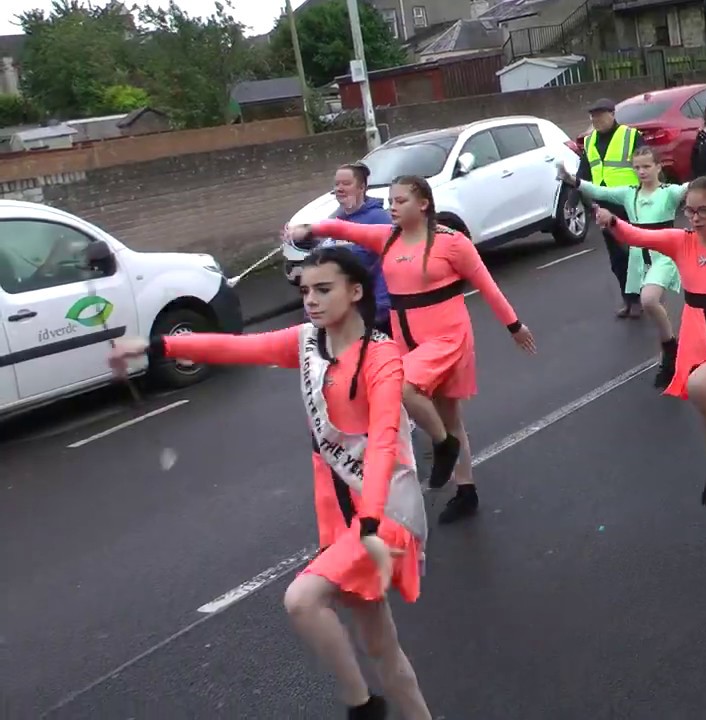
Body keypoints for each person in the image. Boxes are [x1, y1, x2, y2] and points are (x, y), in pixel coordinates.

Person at [108, 246, 434, 720]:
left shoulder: (380, 357)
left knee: (302, 599)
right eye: (305, 291)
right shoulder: (306, 342)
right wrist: (158, 346)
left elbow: (385, 437)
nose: (312, 301)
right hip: (339, 512)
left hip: (381, 511)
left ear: (356, 291)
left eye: (324, 289)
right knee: (381, 646)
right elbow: (238, 347)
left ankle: (363, 707)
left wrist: (369, 518)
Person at [288, 175, 536, 525]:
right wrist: (308, 229)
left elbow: (487, 286)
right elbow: (344, 230)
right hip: (407, 337)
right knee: (449, 416)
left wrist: (514, 325)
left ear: (423, 204)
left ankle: (443, 446)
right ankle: (466, 491)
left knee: (402, 386)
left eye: (400, 200)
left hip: (448, 338)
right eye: (389, 201)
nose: (391, 207)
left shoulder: (452, 243)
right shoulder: (386, 239)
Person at [592, 176, 706, 545]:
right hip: (697, 338)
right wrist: (612, 222)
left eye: (703, 210)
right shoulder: (680, 241)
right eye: (690, 209)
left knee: (701, 386)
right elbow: (638, 236)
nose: (695, 217)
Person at [560, 147, 688, 388]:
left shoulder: (669, 193)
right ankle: (669, 356)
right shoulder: (630, 194)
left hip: (664, 255)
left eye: (647, 166)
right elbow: (599, 190)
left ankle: (671, 348)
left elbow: (692, 188)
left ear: (659, 167)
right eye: (637, 167)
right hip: (640, 257)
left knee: (649, 300)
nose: (642, 171)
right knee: (659, 307)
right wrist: (573, 180)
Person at [578, 98, 646, 318]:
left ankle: (639, 299)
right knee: (616, 257)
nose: (596, 120)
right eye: (593, 116)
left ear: (612, 114)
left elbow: (646, 165)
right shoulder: (589, 142)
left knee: (633, 254)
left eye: (600, 115)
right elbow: (584, 174)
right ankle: (628, 299)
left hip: (628, 204)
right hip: (603, 206)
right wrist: (587, 202)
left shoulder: (630, 135)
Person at [326, 163, 394, 334]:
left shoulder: (379, 218)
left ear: (362, 187)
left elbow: (380, 263)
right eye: (337, 184)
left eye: (346, 183)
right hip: (351, 309)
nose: (339, 189)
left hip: (378, 310)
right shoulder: (337, 220)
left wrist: (381, 306)